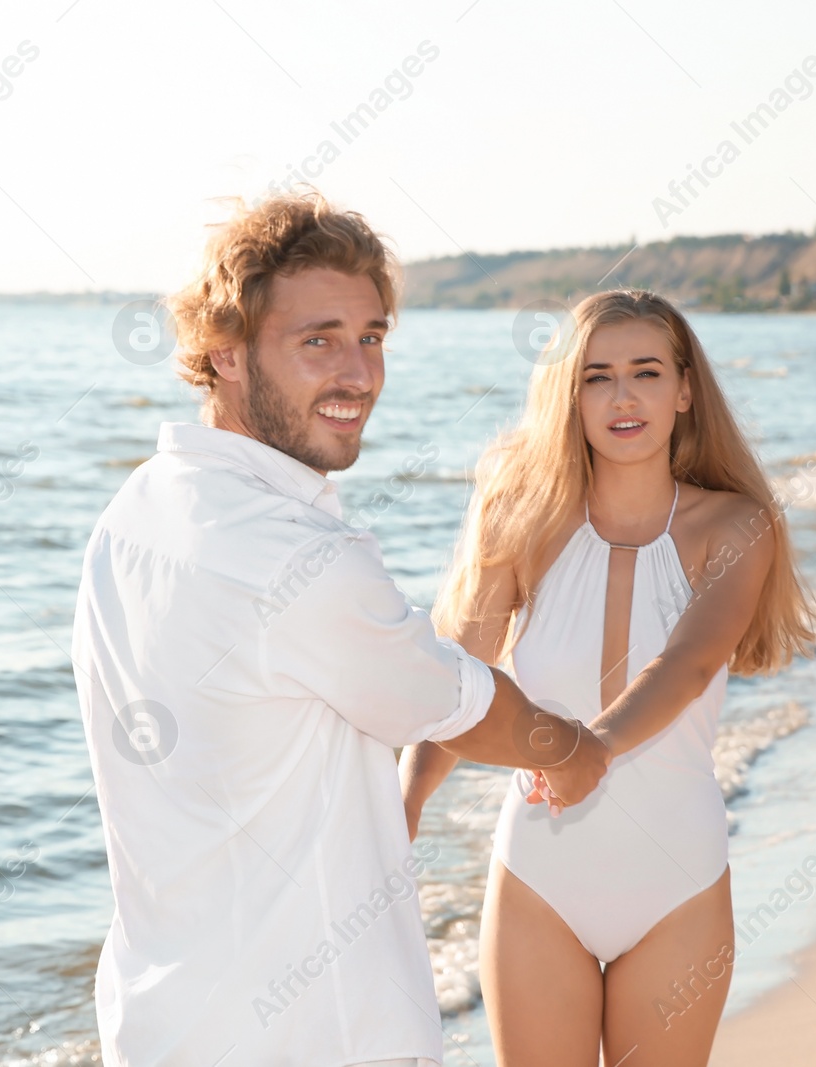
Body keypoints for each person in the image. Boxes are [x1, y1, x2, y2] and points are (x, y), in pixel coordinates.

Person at [71, 192, 611, 1067]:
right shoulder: (298, 554)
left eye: (372, 337)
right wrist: (572, 750)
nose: (359, 373)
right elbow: (455, 703)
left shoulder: (133, 513)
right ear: (227, 353)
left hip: (163, 1026)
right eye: (317, 339)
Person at [401, 290, 816, 1067]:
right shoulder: (520, 518)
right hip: (539, 877)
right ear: (570, 393)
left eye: (646, 372)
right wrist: (404, 802)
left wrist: (587, 749)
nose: (623, 397)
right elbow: (459, 680)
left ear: (685, 389)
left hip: (677, 882)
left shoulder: (734, 525)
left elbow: (691, 662)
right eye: (597, 376)